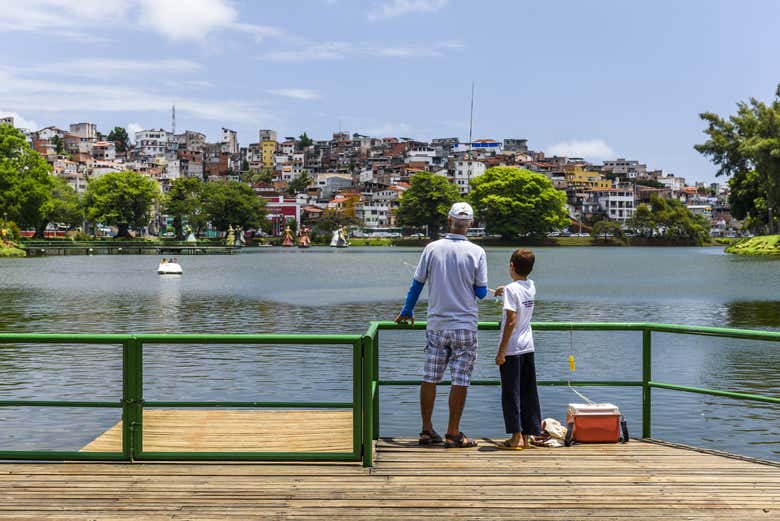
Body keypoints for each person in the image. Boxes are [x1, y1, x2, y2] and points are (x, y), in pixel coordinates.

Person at [395, 202, 488, 449]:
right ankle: (453, 432)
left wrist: (407, 310)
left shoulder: (432, 248)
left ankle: (426, 430)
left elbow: (417, 284)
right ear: (470, 224)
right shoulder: (477, 252)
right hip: (465, 325)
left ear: (449, 221)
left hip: (436, 324)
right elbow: (480, 293)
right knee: (460, 379)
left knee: (430, 377)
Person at [493, 249, 542, 450]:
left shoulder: (512, 290)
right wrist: (505, 289)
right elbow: (518, 290)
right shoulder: (530, 286)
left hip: (512, 349)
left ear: (512, 266)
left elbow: (511, 321)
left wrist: (501, 352)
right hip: (528, 347)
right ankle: (528, 435)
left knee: (511, 393)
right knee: (528, 391)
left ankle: (515, 438)